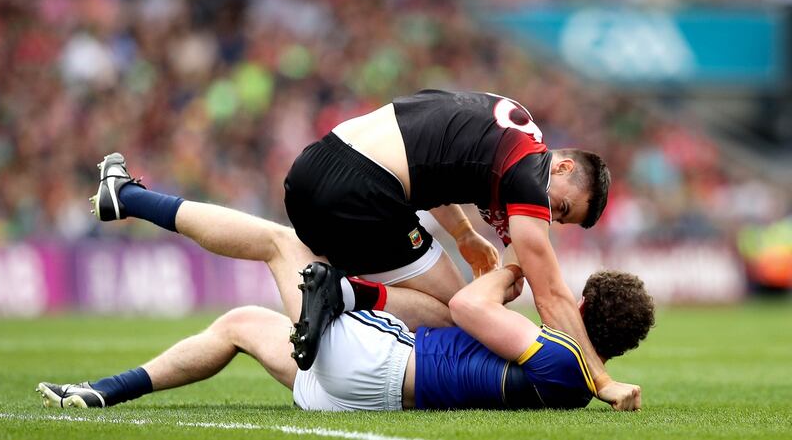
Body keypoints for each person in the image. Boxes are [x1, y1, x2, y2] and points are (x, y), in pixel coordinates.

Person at [37, 156, 654, 410]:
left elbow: (469, 305)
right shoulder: (575, 385)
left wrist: (510, 271)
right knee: (241, 326)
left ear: (583, 305)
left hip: (376, 365)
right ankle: (99, 394)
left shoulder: (564, 359)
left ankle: (132, 198)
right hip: (354, 395)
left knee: (280, 241)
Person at [283, 90, 632, 402]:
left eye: (559, 219)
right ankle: (342, 294)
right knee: (456, 313)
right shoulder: (531, 175)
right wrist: (600, 379)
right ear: (563, 167)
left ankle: (335, 307)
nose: (550, 217)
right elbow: (551, 295)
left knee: (434, 295)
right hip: (362, 189)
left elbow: (430, 158)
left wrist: (465, 235)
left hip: (311, 170)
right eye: (562, 208)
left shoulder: (510, 130)